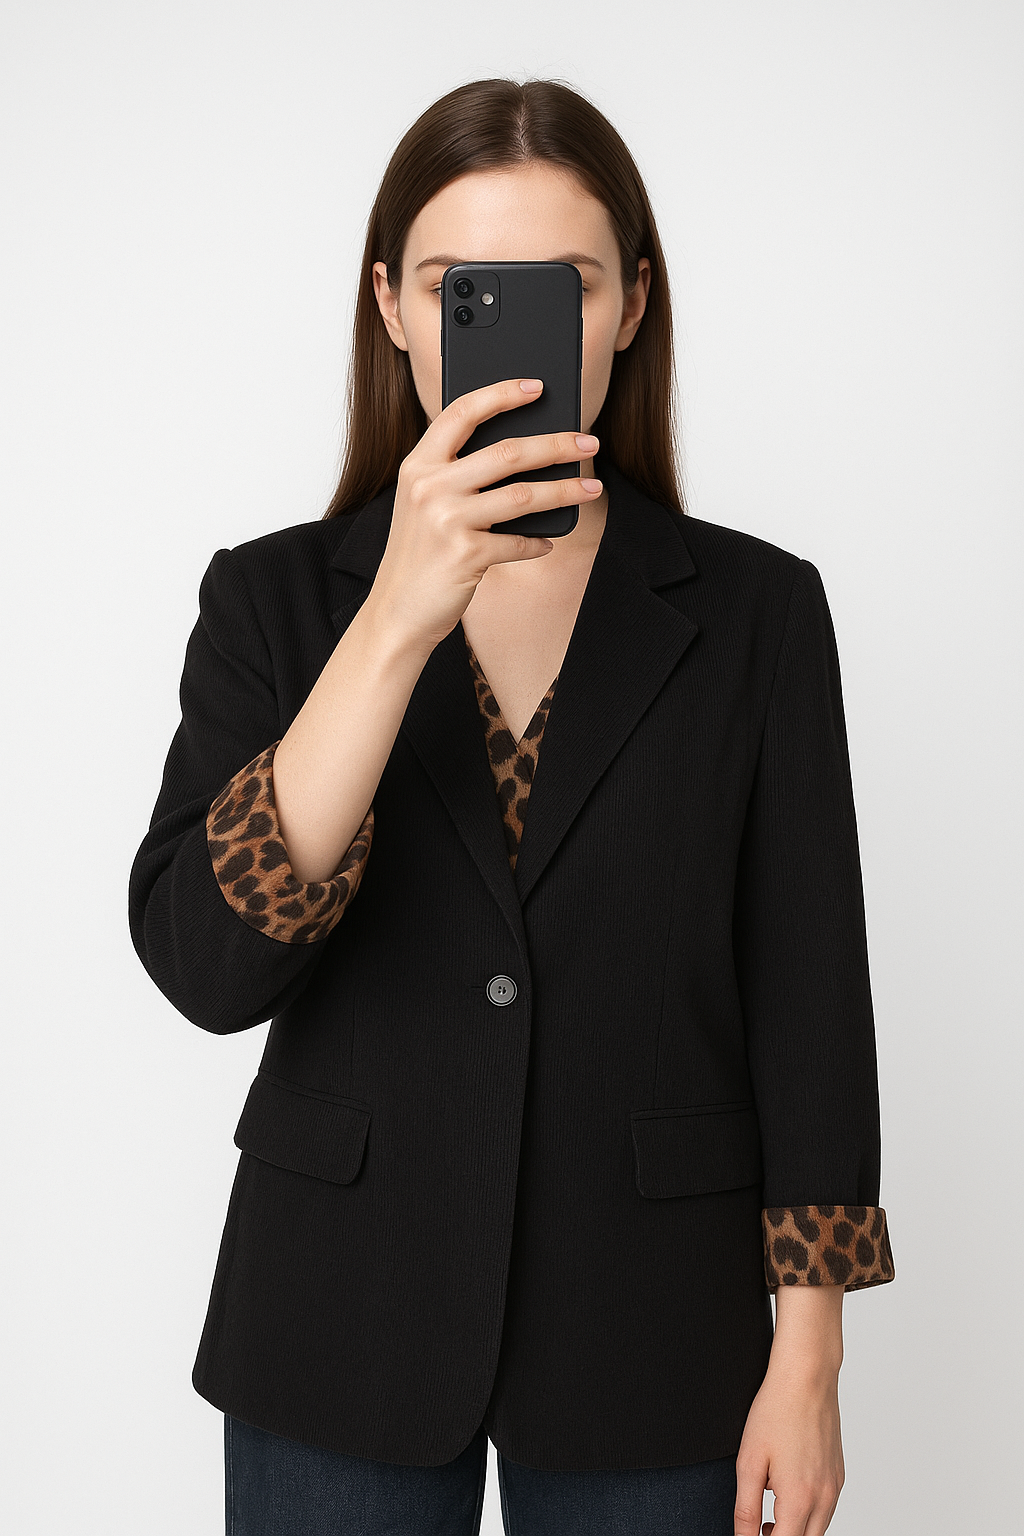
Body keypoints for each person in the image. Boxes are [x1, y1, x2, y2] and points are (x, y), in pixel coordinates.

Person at [129, 77, 895, 1536]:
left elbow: (811, 996)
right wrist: (395, 623)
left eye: (567, 283)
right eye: (461, 284)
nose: (513, 322)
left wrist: (812, 1357)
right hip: (337, 1315)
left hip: (655, 1329)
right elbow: (206, 966)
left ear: (628, 307)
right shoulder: (278, 601)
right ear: (397, 308)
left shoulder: (758, 613)